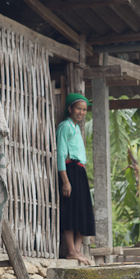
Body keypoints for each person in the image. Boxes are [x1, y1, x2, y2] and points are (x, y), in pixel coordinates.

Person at [57, 93, 95, 265]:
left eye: (84, 109)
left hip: (80, 171)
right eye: (78, 108)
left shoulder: (77, 128)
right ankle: (71, 251)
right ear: (70, 108)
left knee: (83, 211)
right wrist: (65, 180)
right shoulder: (65, 126)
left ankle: (78, 251)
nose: (81, 112)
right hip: (70, 170)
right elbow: (60, 154)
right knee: (71, 211)